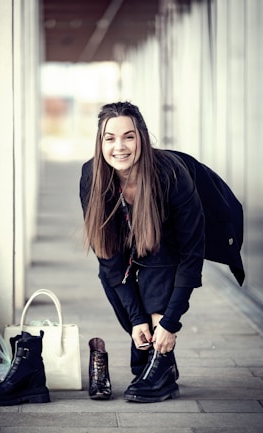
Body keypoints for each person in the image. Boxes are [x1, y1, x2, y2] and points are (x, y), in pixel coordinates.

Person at [79, 101, 205, 403]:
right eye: (110, 138)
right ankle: (154, 357)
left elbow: (191, 255)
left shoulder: (170, 175)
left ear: (142, 138)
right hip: (123, 247)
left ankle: (157, 363)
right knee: (113, 280)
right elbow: (109, 259)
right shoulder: (92, 176)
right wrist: (137, 320)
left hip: (167, 248)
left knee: (157, 263)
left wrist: (171, 322)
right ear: (101, 142)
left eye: (129, 136)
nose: (119, 147)